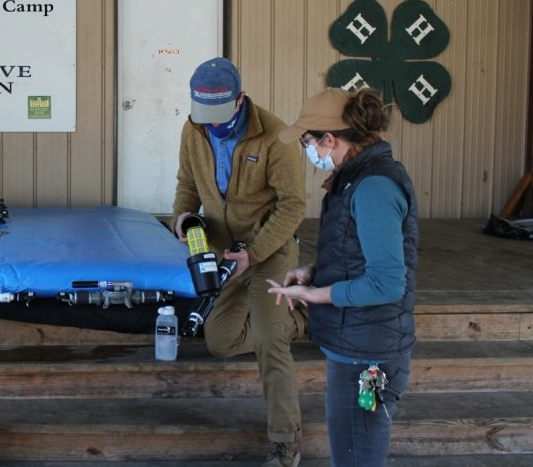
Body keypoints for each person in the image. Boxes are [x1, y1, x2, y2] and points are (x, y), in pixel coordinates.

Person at [267, 87, 418, 466]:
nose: (308, 152)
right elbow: (357, 252)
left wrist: (316, 294)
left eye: (307, 142)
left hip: (369, 353)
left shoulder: (373, 187)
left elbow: (386, 283)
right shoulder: (356, 176)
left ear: (329, 139)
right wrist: (314, 271)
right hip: (358, 342)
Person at [171, 57, 307, 467]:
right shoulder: (193, 129)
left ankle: (286, 444)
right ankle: (297, 316)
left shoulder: (276, 137)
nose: (211, 124)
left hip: (268, 249)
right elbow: (187, 184)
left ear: (240, 99)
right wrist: (181, 217)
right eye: (203, 114)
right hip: (222, 249)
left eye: (218, 114)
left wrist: (255, 253)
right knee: (220, 341)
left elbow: (293, 206)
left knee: (269, 340)